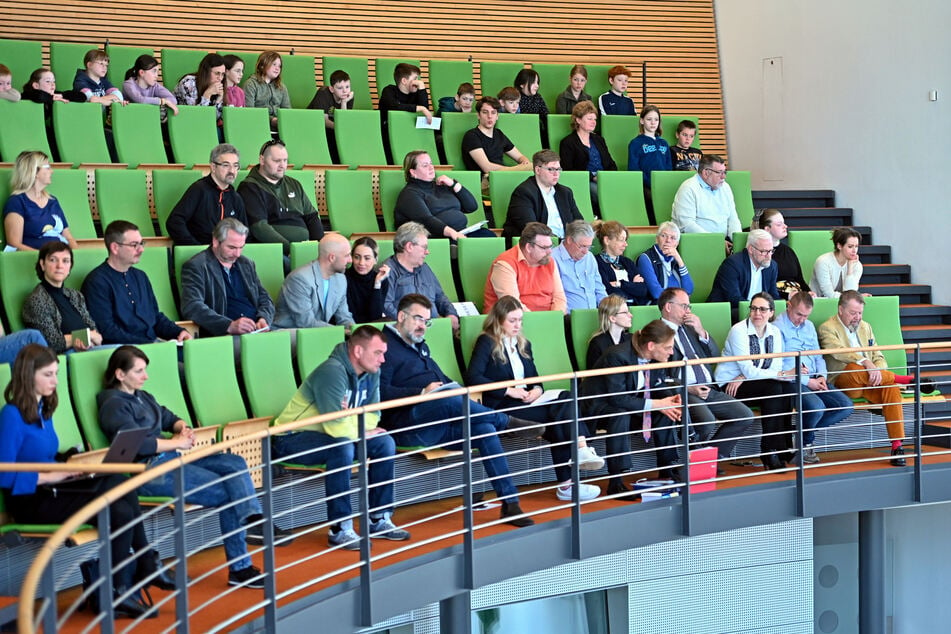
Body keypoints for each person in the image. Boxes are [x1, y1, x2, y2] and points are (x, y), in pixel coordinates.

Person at [98, 345, 284, 588]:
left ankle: (252, 520)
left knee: (234, 462)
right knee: (231, 494)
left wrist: (181, 427)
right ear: (120, 374)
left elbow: (167, 416)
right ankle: (240, 566)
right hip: (150, 472)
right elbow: (137, 444)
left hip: (173, 459)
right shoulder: (113, 404)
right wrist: (175, 442)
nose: (146, 376)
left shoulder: (142, 396)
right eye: (139, 371)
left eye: (145, 370)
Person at [0, 344, 162, 618]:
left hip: (54, 489)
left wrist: (70, 465)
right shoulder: (12, 415)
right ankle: (140, 567)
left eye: (56, 374)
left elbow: (44, 455)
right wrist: (54, 475)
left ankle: (121, 586)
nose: (55, 381)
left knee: (120, 495)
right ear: (29, 376)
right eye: (49, 375)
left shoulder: (43, 407)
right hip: (31, 500)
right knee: (116, 486)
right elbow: (4, 474)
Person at [380, 294, 536, 527]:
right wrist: (421, 392)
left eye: (427, 321)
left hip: (439, 422)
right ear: (401, 316)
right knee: (447, 398)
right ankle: (505, 421)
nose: (423, 325)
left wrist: (456, 389)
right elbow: (379, 393)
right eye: (418, 319)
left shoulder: (419, 346)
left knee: (482, 427)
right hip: (409, 425)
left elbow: (441, 379)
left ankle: (510, 504)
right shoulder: (381, 347)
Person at [272, 325, 411, 549]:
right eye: (378, 353)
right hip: (291, 438)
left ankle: (379, 518)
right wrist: (355, 426)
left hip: (336, 435)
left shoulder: (372, 372)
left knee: (384, 442)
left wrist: (351, 420)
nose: (383, 360)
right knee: (343, 446)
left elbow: (374, 415)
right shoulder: (332, 371)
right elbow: (335, 427)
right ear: (357, 352)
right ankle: (340, 528)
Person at [467, 296, 604, 501]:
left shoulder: (524, 344)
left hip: (527, 402)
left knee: (564, 403)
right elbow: (473, 377)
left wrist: (538, 390)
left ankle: (570, 480)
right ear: (498, 319)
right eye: (512, 320)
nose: (517, 325)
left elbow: (534, 378)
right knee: (561, 415)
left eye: (520, 320)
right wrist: (508, 390)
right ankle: (574, 469)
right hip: (504, 406)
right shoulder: (487, 341)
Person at [817, 290, 933, 467]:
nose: (857, 317)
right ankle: (907, 380)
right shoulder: (827, 327)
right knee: (854, 368)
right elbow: (838, 352)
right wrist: (866, 363)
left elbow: (878, 355)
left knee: (891, 389)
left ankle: (897, 447)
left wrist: (877, 370)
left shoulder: (865, 326)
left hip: (872, 383)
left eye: (860, 313)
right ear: (840, 309)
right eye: (853, 313)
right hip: (845, 382)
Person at [581, 320, 684, 498]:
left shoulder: (654, 357)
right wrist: (659, 403)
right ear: (651, 345)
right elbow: (617, 398)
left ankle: (667, 469)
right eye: (667, 347)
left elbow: (655, 385)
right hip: (598, 408)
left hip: (628, 404)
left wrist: (669, 399)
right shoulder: (617, 356)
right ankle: (616, 481)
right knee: (621, 415)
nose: (671, 352)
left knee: (665, 412)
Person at [658, 287, 755, 471]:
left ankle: (708, 458)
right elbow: (660, 376)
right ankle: (699, 461)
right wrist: (687, 388)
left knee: (744, 415)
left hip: (709, 388)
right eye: (684, 306)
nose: (688, 311)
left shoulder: (690, 328)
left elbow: (714, 354)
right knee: (707, 420)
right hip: (685, 390)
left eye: (689, 306)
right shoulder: (656, 331)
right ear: (668, 307)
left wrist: (701, 331)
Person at [714, 293, 797, 470]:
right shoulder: (739, 330)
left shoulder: (775, 332)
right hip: (729, 384)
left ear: (771, 312)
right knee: (775, 387)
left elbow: (774, 365)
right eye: (753, 308)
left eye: (762, 309)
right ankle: (769, 450)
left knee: (786, 387)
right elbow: (751, 369)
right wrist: (748, 374)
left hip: (749, 381)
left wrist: (745, 375)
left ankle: (781, 447)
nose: (757, 313)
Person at [81, 220, 191, 345]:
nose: (141, 250)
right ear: (115, 248)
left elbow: (154, 317)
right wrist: (149, 344)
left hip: (152, 345)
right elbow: (107, 330)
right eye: (134, 245)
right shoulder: (96, 282)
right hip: (125, 352)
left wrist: (178, 332)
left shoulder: (141, 276)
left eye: (141, 243)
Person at [774, 292, 853, 464]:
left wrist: (821, 376)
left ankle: (801, 434)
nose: (802, 319)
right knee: (817, 408)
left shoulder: (809, 326)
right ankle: (806, 442)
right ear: (789, 306)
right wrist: (808, 382)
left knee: (845, 406)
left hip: (815, 379)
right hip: (791, 381)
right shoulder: (776, 328)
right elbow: (778, 365)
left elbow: (818, 356)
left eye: (806, 316)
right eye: (798, 314)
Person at [180, 218, 275, 337]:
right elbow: (192, 306)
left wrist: (264, 318)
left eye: (241, 247)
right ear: (215, 241)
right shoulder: (197, 266)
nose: (237, 254)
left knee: (293, 340)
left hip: (257, 331)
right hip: (226, 336)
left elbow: (264, 298)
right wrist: (229, 325)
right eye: (232, 248)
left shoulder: (246, 264)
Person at [237, 139, 325, 256]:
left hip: (302, 250)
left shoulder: (294, 184)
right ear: (262, 160)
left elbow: (312, 217)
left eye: (285, 160)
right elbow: (260, 228)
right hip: (276, 253)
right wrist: (291, 250)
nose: (282, 165)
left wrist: (322, 247)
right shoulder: (249, 187)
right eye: (276, 161)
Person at [22, 242, 103, 353]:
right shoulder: (36, 300)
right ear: (42, 265)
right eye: (53, 260)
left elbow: (97, 336)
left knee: (125, 351)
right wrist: (87, 335)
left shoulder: (76, 295)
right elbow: (52, 342)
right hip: (63, 356)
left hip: (90, 349)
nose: (60, 266)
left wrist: (88, 339)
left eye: (65, 261)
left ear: (70, 267)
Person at [394, 150, 494, 240]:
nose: (431, 167)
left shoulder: (441, 185)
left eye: (431, 163)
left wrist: (453, 184)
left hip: (461, 232)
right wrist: (452, 233)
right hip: (438, 238)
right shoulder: (409, 193)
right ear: (413, 172)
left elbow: (471, 207)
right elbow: (426, 221)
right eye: (425, 165)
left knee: (489, 236)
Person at [165, 143, 247, 245]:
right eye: (226, 165)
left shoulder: (236, 198)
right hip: (200, 254)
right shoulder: (199, 189)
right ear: (213, 167)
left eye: (235, 166)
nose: (232, 171)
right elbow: (174, 222)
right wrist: (195, 248)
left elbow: (243, 232)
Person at [382, 222, 458, 329]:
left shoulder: (424, 268)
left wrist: (451, 313)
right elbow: (386, 307)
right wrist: (411, 324)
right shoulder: (388, 271)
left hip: (435, 327)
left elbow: (440, 296)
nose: (427, 252)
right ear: (409, 246)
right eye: (424, 247)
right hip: (407, 332)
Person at [273, 232, 355, 329]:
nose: (350, 260)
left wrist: (355, 332)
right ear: (332, 258)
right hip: (290, 334)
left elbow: (344, 317)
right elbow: (306, 322)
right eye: (347, 256)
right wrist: (340, 332)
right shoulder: (299, 279)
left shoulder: (341, 279)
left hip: (319, 334)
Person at [485, 222, 567, 314]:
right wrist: (541, 321)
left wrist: (555, 317)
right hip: (513, 322)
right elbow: (513, 305)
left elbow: (559, 297)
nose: (549, 251)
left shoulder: (549, 261)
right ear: (528, 247)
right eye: (544, 248)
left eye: (550, 246)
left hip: (547, 320)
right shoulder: (505, 264)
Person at [3, 150, 78, 251]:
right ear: (34, 172)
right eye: (47, 167)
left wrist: (75, 255)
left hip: (60, 259)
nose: (52, 171)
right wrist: (44, 258)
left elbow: (68, 237)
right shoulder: (16, 202)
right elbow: (14, 244)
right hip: (35, 261)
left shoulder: (53, 201)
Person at [502, 149, 583, 239]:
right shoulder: (524, 192)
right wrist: (561, 243)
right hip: (538, 246)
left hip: (565, 245)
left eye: (558, 169)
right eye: (551, 169)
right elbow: (532, 229)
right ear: (538, 170)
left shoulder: (565, 192)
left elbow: (579, 223)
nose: (556, 174)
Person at [671, 154, 741, 256]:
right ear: (706, 173)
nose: (724, 177)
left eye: (725, 172)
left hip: (724, 242)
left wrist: (737, 241)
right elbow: (687, 226)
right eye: (719, 173)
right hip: (696, 242)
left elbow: (733, 218)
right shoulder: (688, 188)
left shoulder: (725, 187)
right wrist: (716, 242)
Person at [707, 228, 781, 321]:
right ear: (751, 249)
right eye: (764, 251)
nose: (769, 256)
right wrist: (759, 310)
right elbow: (734, 298)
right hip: (730, 312)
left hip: (758, 312)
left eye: (771, 251)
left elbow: (773, 294)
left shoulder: (772, 266)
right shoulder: (732, 264)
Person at [558, 101, 617, 215]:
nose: (594, 122)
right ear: (578, 120)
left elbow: (610, 163)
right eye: (590, 119)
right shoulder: (567, 142)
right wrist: (593, 177)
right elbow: (568, 169)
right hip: (585, 181)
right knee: (602, 193)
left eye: (595, 119)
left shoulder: (599, 140)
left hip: (605, 178)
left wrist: (610, 176)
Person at [461, 96, 531, 176]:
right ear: (478, 115)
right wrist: (514, 170)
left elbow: (519, 157)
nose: (489, 116)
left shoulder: (498, 134)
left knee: (534, 167)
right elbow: (487, 167)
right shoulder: (471, 136)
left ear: (497, 116)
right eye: (485, 112)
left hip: (504, 176)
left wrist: (525, 162)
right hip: (486, 180)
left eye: (493, 112)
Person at [627, 104, 671, 224]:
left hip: (663, 184)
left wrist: (664, 181)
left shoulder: (664, 143)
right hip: (646, 185)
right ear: (642, 121)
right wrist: (651, 183)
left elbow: (668, 167)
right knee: (652, 199)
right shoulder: (635, 143)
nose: (653, 123)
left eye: (656, 119)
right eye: (649, 119)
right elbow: (634, 169)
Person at [551, 220, 607, 313]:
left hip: (594, 316)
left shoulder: (589, 257)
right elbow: (553, 296)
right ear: (569, 240)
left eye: (589, 247)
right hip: (567, 319)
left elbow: (599, 289)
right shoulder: (553, 259)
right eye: (582, 246)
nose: (585, 251)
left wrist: (608, 311)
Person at [756, 209, 811, 298]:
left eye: (784, 223)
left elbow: (800, 280)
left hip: (797, 297)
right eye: (779, 224)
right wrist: (788, 295)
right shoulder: (761, 253)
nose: (785, 226)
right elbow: (764, 286)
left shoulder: (789, 251)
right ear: (767, 229)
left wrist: (808, 293)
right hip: (777, 299)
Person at [636, 221, 694, 303]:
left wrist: (680, 261)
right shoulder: (645, 259)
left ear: (677, 244)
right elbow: (656, 293)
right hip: (657, 306)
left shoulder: (675, 259)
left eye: (673, 238)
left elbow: (689, 290)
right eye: (664, 236)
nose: (668, 241)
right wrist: (680, 299)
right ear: (657, 239)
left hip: (677, 306)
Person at [593, 220, 649, 305]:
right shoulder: (596, 262)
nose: (625, 244)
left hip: (635, 309)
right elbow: (610, 291)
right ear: (607, 240)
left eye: (625, 240)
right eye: (621, 240)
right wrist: (632, 285)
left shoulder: (627, 262)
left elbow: (643, 290)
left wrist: (619, 284)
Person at [810, 227, 865, 298]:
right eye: (850, 246)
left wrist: (850, 267)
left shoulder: (857, 265)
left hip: (844, 305)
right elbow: (829, 294)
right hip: (819, 303)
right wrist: (856, 296)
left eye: (856, 246)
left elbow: (851, 294)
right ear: (839, 246)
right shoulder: (823, 262)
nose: (854, 250)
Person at [346, 237, 389, 323]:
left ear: (375, 260)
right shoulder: (343, 278)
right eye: (357, 257)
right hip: (350, 329)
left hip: (371, 330)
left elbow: (376, 316)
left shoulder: (381, 280)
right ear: (351, 258)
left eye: (367, 258)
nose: (361, 263)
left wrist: (377, 285)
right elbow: (349, 315)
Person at [244, 51, 290, 129]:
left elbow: (287, 111)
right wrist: (272, 120)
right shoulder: (251, 84)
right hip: (259, 126)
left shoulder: (282, 87)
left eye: (279, 66)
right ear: (262, 65)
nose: (277, 68)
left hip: (281, 126)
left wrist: (284, 120)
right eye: (274, 64)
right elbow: (249, 112)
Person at [585, 295, 632, 370]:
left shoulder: (631, 339)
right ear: (612, 318)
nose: (631, 315)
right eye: (625, 312)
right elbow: (593, 376)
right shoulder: (597, 344)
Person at [173, 53, 225, 118]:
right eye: (217, 73)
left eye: (223, 74)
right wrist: (207, 95)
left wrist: (219, 99)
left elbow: (213, 119)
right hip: (180, 121)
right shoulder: (188, 83)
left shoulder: (217, 87)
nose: (220, 78)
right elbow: (195, 117)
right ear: (206, 71)